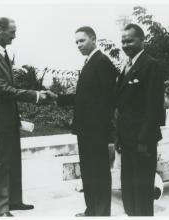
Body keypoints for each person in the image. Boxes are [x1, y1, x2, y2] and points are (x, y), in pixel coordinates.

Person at [48, 26, 118, 216]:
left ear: (93, 39)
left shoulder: (102, 62)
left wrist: (102, 129)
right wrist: (58, 98)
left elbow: (108, 100)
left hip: (96, 131)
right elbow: (84, 96)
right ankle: (91, 210)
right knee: (88, 172)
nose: (79, 45)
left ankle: (101, 213)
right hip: (86, 130)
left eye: (82, 40)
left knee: (99, 173)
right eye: (76, 42)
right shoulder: (90, 62)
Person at [0, 17, 49, 217]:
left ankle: (14, 201)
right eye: (12, 31)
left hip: (9, 120)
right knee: (0, 164)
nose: (15, 35)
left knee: (14, 161)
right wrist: (35, 95)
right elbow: (4, 90)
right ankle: (1, 208)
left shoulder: (4, 53)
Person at [115, 23, 165, 216]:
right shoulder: (126, 66)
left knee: (143, 192)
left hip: (142, 141)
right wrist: (119, 137)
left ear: (142, 40)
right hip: (127, 139)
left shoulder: (150, 65)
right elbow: (122, 105)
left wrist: (144, 141)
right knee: (128, 189)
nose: (126, 44)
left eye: (130, 40)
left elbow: (154, 108)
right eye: (123, 41)